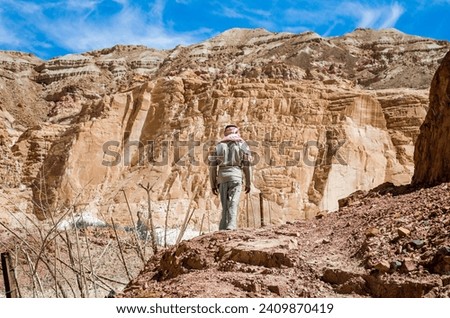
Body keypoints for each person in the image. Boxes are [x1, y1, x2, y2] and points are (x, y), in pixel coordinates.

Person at [209, 124, 252, 230]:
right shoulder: (242, 145)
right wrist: (248, 182)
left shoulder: (218, 146)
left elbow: (212, 167)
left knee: (224, 204)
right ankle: (231, 224)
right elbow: (247, 166)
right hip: (236, 177)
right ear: (236, 132)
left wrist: (213, 184)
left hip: (222, 178)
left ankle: (223, 227)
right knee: (234, 201)